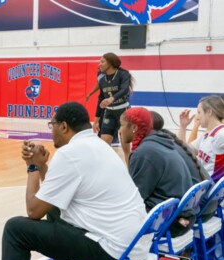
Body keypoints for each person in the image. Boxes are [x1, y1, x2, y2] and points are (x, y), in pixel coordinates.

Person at [1, 102, 149, 260]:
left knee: (15, 230)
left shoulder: (69, 154)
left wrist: (33, 166)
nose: (50, 130)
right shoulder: (100, 146)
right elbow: (52, 198)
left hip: (115, 250)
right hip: (135, 244)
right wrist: (44, 165)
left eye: (51, 124)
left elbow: (33, 211)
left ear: (63, 126)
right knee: (54, 212)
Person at [120, 107, 194, 237]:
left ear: (134, 128)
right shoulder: (160, 142)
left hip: (171, 222)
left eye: (122, 125)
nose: (119, 131)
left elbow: (134, 198)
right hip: (183, 214)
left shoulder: (144, 153)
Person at [179, 95, 224, 182]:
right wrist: (183, 126)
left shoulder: (221, 134)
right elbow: (183, 151)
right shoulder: (208, 135)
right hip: (204, 185)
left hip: (213, 189)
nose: (197, 117)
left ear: (209, 112)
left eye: (199, 112)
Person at [93, 53, 133, 146]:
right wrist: (96, 121)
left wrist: (112, 98)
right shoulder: (102, 80)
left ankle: (127, 160)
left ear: (110, 63)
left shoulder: (123, 74)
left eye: (102, 62)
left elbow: (124, 89)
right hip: (109, 112)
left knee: (125, 144)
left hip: (124, 110)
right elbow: (101, 99)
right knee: (104, 145)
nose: (99, 64)